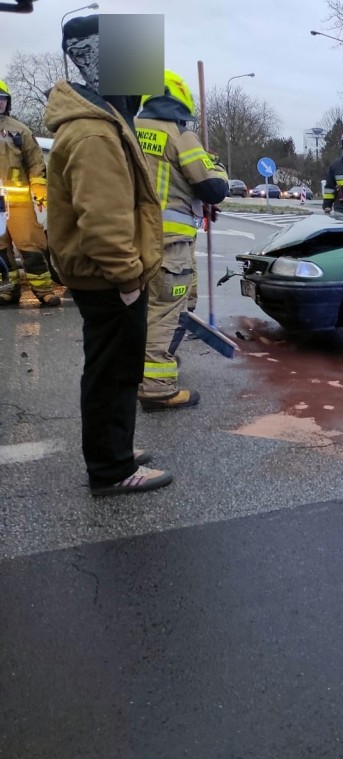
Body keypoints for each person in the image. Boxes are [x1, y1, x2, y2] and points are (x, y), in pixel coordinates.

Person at [44, 15, 172, 495]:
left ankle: (114, 447)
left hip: (107, 276)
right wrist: (129, 279)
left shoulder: (103, 123)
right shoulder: (96, 133)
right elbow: (103, 222)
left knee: (115, 371)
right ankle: (111, 468)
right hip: (110, 278)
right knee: (112, 373)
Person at [135, 70, 228, 411]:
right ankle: (157, 386)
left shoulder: (130, 130)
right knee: (167, 311)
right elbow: (212, 187)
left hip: (134, 238)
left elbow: (168, 182)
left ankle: (144, 369)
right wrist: (217, 169)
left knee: (144, 307)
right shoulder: (178, 134)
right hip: (170, 242)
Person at [0, 79, 61, 308]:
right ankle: (7, 291)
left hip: (19, 202)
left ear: (8, 102)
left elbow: (36, 163)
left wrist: (38, 189)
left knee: (30, 247)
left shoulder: (19, 130)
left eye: (2, 99)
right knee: (1, 251)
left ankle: (44, 291)